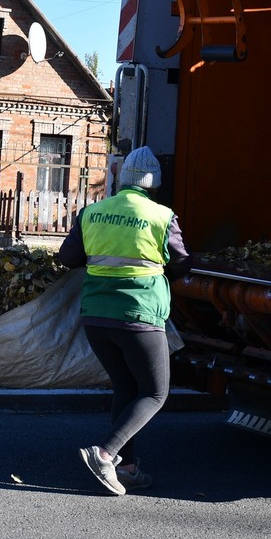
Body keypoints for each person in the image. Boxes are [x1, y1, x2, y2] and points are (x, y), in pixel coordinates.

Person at [57, 145, 193, 495]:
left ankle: (128, 469)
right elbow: (182, 264)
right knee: (155, 392)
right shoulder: (162, 216)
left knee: (127, 387)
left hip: (96, 317)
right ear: (155, 184)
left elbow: (68, 258)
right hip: (140, 315)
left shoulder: (93, 211)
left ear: (120, 178)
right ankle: (105, 454)